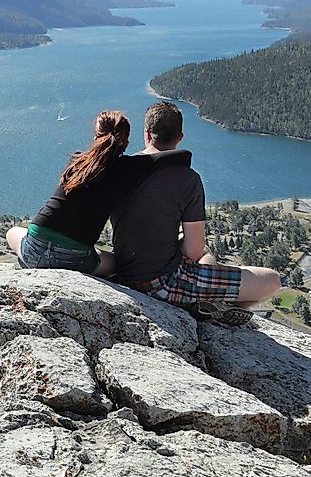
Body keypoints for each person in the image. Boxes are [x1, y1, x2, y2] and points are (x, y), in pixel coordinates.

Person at [110, 100, 282, 325]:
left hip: (122, 272)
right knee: (272, 280)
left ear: (147, 134)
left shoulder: (118, 169)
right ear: (180, 138)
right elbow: (192, 249)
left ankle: (202, 304)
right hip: (163, 284)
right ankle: (216, 309)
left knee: (206, 256)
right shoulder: (188, 179)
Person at [6, 110, 189, 276]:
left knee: (12, 232)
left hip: (34, 248)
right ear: (125, 141)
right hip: (74, 260)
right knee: (116, 263)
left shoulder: (78, 161)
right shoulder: (128, 169)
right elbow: (158, 159)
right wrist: (184, 157)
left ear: (96, 135)